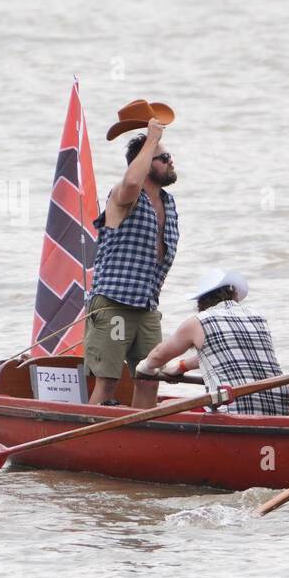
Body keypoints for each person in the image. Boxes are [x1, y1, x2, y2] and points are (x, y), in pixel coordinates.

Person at [85, 107, 181, 408]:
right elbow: (129, 183)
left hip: (147, 308)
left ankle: (141, 440)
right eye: (163, 158)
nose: (170, 161)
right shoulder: (124, 196)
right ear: (146, 161)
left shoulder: (168, 202)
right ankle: (91, 442)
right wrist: (151, 138)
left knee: (150, 378)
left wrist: (154, 145)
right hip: (114, 302)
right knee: (108, 381)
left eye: (168, 157)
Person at [136, 269, 289, 415]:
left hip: (234, 407)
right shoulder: (258, 317)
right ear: (234, 295)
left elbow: (158, 356)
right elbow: (230, 353)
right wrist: (182, 366)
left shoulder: (199, 321)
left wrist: (144, 368)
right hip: (281, 405)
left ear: (201, 301)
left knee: (164, 407)